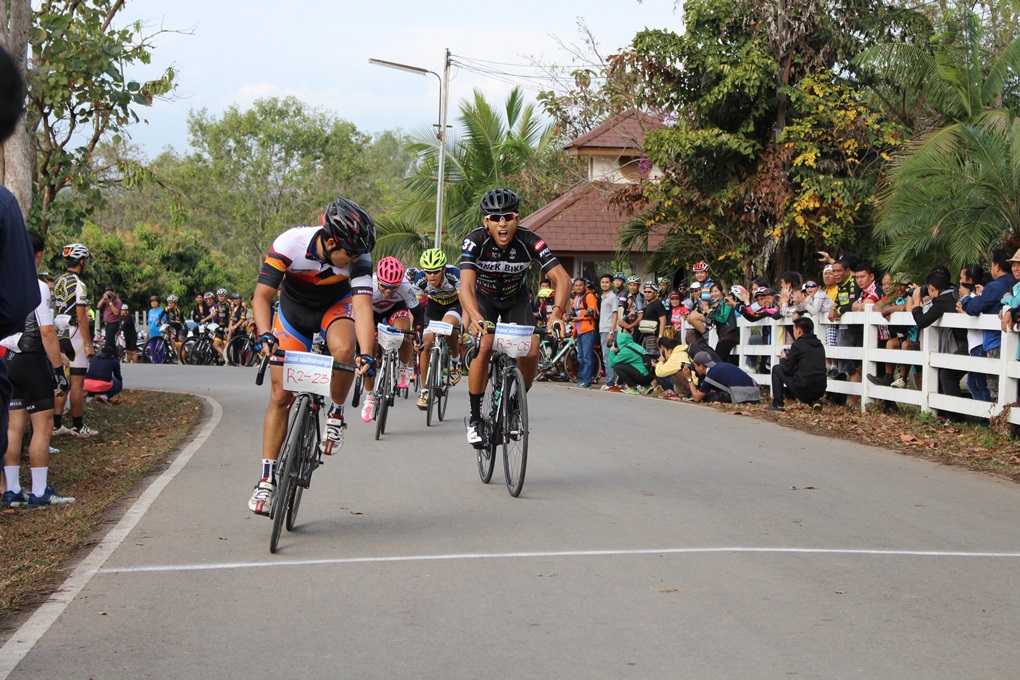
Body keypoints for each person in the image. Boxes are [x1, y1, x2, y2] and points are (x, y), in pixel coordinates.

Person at [248, 196, 377, 516]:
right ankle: (266, 479)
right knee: (281, 396)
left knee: (345, 349)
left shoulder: (360, 258)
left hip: (335, 309)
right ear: (331, 242)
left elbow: (363, 309)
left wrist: (366, 354)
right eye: (350, 253)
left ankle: (336, 412)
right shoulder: (290, 243)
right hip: (294, 313)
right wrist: (265, 334)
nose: (355, 259)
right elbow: (262, 297)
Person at [460, 188, 571, 447]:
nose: (502, 223)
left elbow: (562, 278)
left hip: (516, 300)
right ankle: (475, 419)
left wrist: (557, 314)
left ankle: (515, 403)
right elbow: (465, 287)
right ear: (485, 221)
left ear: (517, 219)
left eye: (508, 217)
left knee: (532, 350)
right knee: (486, 345)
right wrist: (474, 317)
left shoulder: (530, 241)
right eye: (495, 218)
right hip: (484, 301)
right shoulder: (475, 241)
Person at [1, 230, 73, 508]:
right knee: (42, 428)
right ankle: (40, 492)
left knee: (14, 428)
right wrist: (58, 371)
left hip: (9, 361)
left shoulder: (5, 282)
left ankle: (12, 491)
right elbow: (47, 333)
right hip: (32, 361)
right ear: (38, 255)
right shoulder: (37, 286)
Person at [361, 256, 423, 422]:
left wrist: (417, 334)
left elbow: (418, 315)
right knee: (368, 356)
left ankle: (403, 367)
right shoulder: (368, 284)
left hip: (395, 309)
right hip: (371, 311)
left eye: (393, 287)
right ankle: (370, 398)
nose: (388, 291)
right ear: (378, 280)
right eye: (385, 286)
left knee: (405, 330)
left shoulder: (406, 287)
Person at [52, 243, 98, 437]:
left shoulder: (58, 280)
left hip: (59, 331)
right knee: (77, 383)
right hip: (75, 334)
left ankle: (56, 425)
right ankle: (78, 426)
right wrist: (88, 345)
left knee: (63, 380)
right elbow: (81, 318)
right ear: (81, 261)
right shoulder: (80, 285)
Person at [960, 246, 1014, 402]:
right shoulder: (1014, 284)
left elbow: (974, 308)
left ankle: (991, 415)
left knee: (993, 388)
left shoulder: (995, 286)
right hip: (1011, 343)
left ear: (996, 266)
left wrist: (966, 297)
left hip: (995, 342)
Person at [413, 248, 464, 409]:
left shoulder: (454, 275)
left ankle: (455, 360)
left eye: (436, 271)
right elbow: (413, 308)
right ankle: (424, 391)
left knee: (447, 327)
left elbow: (465, 300)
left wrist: (464, 326)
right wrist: (414, 332)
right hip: (434, 307)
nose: (432, 275)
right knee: (426, 344)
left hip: (455, 304)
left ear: (443, 269)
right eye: (428, 272)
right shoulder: (420, 280)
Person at [766, 316, 827, 413]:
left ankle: (778, 404)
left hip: (804, 387)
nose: (793, 332)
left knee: (777, 369)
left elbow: (787, 370)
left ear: (799, 330)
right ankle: (815, 402)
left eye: (793, 329)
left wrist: (784, 359)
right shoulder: (819, 345)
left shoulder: (798, 345)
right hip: (820, 388)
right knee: (808, 377)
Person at [686, 351, 760, 404]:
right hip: (755, 394)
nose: (695, 369)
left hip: (740, 397)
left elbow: (697, 398)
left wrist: (689, 378)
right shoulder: (722, 365)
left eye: (695, 366)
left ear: (701, 367)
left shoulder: (710, 375)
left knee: (706, 397)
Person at [569, 276, 600, 388]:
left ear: (585, 286)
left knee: (587, 357)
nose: (578, 287)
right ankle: (582, 379)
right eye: (576, 285)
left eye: (580, 285)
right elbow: (574, 313)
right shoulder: (576, 298)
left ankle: (587, 381)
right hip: (579, 330)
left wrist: (580, 318)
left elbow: (594, 313)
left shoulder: (590, 296)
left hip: (588, 330)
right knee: (580, 357)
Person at [598, 274, 621, 392]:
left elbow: (615, 314)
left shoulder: (612, 297)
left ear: (611, 283)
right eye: (602, 282)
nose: (604, 284)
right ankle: (612, 382)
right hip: (603, 330)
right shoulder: (603, 297)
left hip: (608, 330)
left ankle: (610, 383)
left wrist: (611, 332)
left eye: (607, 282)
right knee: (607, 358)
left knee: (608, 358)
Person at [97, 286, 122, 351]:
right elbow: (98, 306)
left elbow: (116, 313)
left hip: (114, 323)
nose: (109, 295)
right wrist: (103, 298)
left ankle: (111, 354)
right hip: (107, 324)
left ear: (114, 293)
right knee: (109, 341)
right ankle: (115, 353)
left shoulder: (117, 301)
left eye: (110, 293)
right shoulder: (106, 300)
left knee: (109, 341)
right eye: (107, 293)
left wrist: (110, 302)